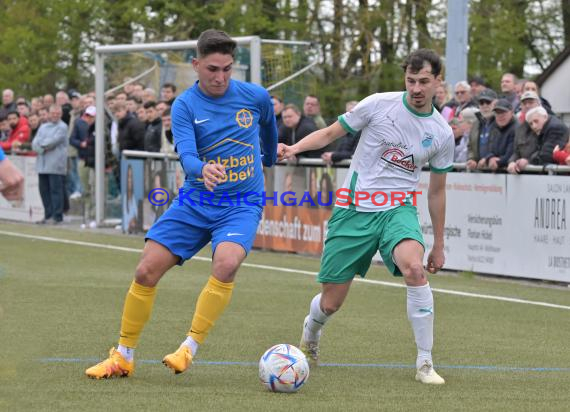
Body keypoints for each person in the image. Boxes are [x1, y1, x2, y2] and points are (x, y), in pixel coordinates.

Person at [85, 29, 278, 379]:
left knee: (227, 262)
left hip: (241, 202)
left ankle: (188, 348)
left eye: (227, 69)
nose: (220, 77)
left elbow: (269, 127)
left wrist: (269, 155)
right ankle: (123, 356)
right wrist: (202, 169)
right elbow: (186, 154)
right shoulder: (186, 105)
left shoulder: (255, 96)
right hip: (196, 199)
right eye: (212, 69)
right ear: (196, 65)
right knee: (145, 270)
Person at [278, 48, 453, 385]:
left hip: (397, 210)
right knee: (331, 303)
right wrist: (295, 148)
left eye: (424, 81)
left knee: (415, 269)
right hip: (354, 208)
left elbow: (437, 191)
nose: (416, 88)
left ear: (437, 82)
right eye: (411, 80)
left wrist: (439, 245)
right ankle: (311, 330)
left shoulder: (442, 132)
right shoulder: (378, 104)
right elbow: (330, 133)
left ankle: (425, 363)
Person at [31, 105, 69, 224]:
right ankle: (48, 215)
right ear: (49, 113)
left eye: (58, 113)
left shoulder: (63, 127)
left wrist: (41, 146)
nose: (55, 115)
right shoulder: (43, 126)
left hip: (55, 164)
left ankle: (57, 216)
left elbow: (53, 142)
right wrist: (41, 148)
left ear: (61, 114)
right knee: (44, 191)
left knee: (56, 191)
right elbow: (35, 142)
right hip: (42, 164)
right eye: (53, 113)